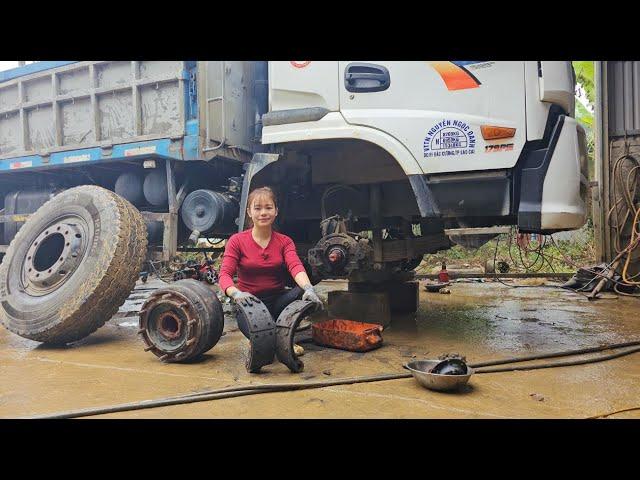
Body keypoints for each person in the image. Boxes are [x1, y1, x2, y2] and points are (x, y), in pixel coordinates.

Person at [218, 186, 323, 347]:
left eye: (268, 207)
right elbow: (224, 275)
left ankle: (279, 335)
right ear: (249, 212)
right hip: (250, 304)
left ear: (276, 211)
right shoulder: (236, 241)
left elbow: (295, 266)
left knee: (303, 290)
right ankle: (279, 339)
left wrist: (309, 288)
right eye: (257, 208)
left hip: (278, 301)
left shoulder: (285, 241)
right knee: (265, 343)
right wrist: (237, 294)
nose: (263, 213)